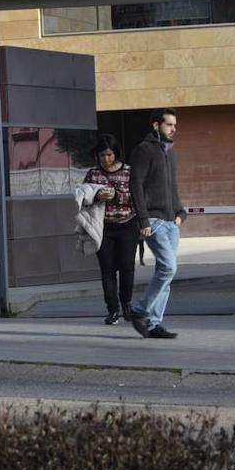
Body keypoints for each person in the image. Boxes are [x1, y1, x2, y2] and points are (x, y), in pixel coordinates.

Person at [127, 108, 186, 339]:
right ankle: (139, 310)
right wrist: (142, 219)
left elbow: (172, 187)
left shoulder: (171, 153)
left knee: (167, 274)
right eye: (169, 125)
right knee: (168, 267)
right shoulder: (144, 150)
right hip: (153, 220)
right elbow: (136, 186)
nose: (173, 129)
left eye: (175, 126)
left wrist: (181, 212)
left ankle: (153, 324)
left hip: (172, 221)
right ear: (155, 125)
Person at [82, 134, 139, 325]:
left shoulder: (129, 172)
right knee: (107, 270)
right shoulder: (93, 174)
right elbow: (83, 198)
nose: (106, 159)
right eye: (102, 155)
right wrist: (98, 196)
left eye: (109, 155)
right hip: (103, 227)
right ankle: (112, 309)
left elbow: (138, 197)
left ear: (115, 153)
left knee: (127, 267)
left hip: (127, 224)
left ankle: (127, 305)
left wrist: (116, 195)